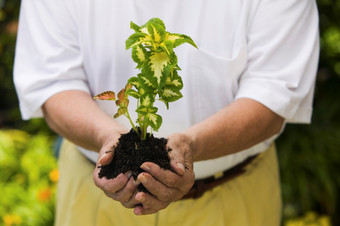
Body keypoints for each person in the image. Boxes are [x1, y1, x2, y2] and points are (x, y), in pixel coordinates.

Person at [13, 0, 319, 225]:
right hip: (96, 200)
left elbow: (274, 94)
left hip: (232, 198)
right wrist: (107, 137)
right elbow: (53, 82)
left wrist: (191, 146)